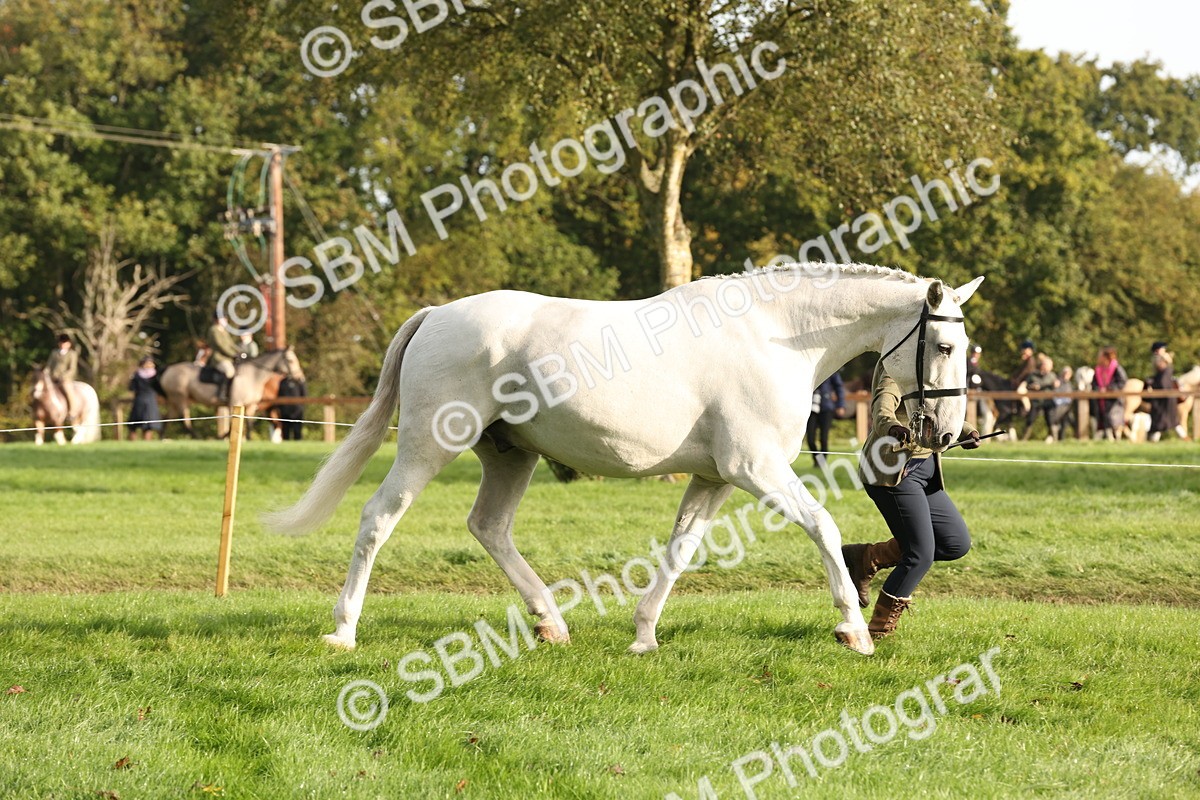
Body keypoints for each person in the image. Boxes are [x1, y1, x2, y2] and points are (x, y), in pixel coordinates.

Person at [841, 359, 983, 640]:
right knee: (920, 555)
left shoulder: (932, 367)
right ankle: (877, 630)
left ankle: (867, 557)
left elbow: (936, 409)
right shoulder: (895, 363)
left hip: (925, 472)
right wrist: (893, 428)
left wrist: (966, 430)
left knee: (955, 543)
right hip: (892, 472)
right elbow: (882, 407)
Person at [1146, 343, 1187, 441]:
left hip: (1166, 396)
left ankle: (1185, 438)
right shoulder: (1159, 361)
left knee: (1168, 421)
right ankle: (1184, 438)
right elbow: (1162, 380)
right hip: (1163, 396)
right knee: (1162, 421)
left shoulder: (1165, 364)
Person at [806, 372, 845, 467]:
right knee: (810, 438)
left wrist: (840, 405)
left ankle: (821, 462)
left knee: (823, 438)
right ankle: (817, 459)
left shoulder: (831, 369)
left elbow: (839, 387)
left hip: (826, 408)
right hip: (810, 408)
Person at [1092, 346, 1127, 439]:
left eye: (1101, 355)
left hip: (1114, 401)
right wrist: (1098, 389)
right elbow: (1094, 384)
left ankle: (1116, 440)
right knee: (1103, 423)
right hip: (1101, 401)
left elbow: (1122, 382)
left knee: (1114, 421)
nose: (1099, 357)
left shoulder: (1116, 368)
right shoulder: (1098, 370)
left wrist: (1109, 389)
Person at [1021, 353, 1059, 440]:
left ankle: (1054, 439)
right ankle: (1024, 439)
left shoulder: (1052, 376)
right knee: (1030, 420)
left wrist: (1042, 386)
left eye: (1049, 365)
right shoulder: (1033, 375)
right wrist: (1033, 387)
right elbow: (1026, 385)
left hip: (1048, 401)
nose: (1047, 367)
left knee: (1051, 420)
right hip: (1036, 401)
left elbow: (1055, 386)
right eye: (1045, 364)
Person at [45, 334, 80, 424]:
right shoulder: (54, 353)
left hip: (66, 379)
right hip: (53, 377)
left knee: (68, 390)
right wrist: (46, 372)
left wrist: (63, 376)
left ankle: (72, 411)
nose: (62, 344)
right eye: (61, 342)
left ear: (69, 344)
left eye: (64, 343)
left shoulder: (72, 354)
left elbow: (72, 369)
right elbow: (49, 365)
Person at [207, 310, 240, 404]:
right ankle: (222, 393)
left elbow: (231, 344)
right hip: (219, 358)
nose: (225, 320)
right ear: (217, 320)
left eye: (225, 318)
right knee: (229, 372)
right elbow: (220, 346)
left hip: (228, 358)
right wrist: (232, 354)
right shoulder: (214, 330)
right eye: (223, 318)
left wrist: (240, 352)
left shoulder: (224, 331)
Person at [127, 357, 163, 441]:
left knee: (138, 424)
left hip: (140, 400)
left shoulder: (136, 375)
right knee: (147, 425)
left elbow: (131, 388)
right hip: (149, 401)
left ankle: (142, 443)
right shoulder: (155, 376)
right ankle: (141, 443)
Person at [276, 375, 307, 441]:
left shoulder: (299, 382)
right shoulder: (283, 382)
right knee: (285, 432)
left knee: (297, 432)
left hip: (297, 411)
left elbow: (304, 395)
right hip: (285, 411)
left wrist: (300, 407)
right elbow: (279, 395)